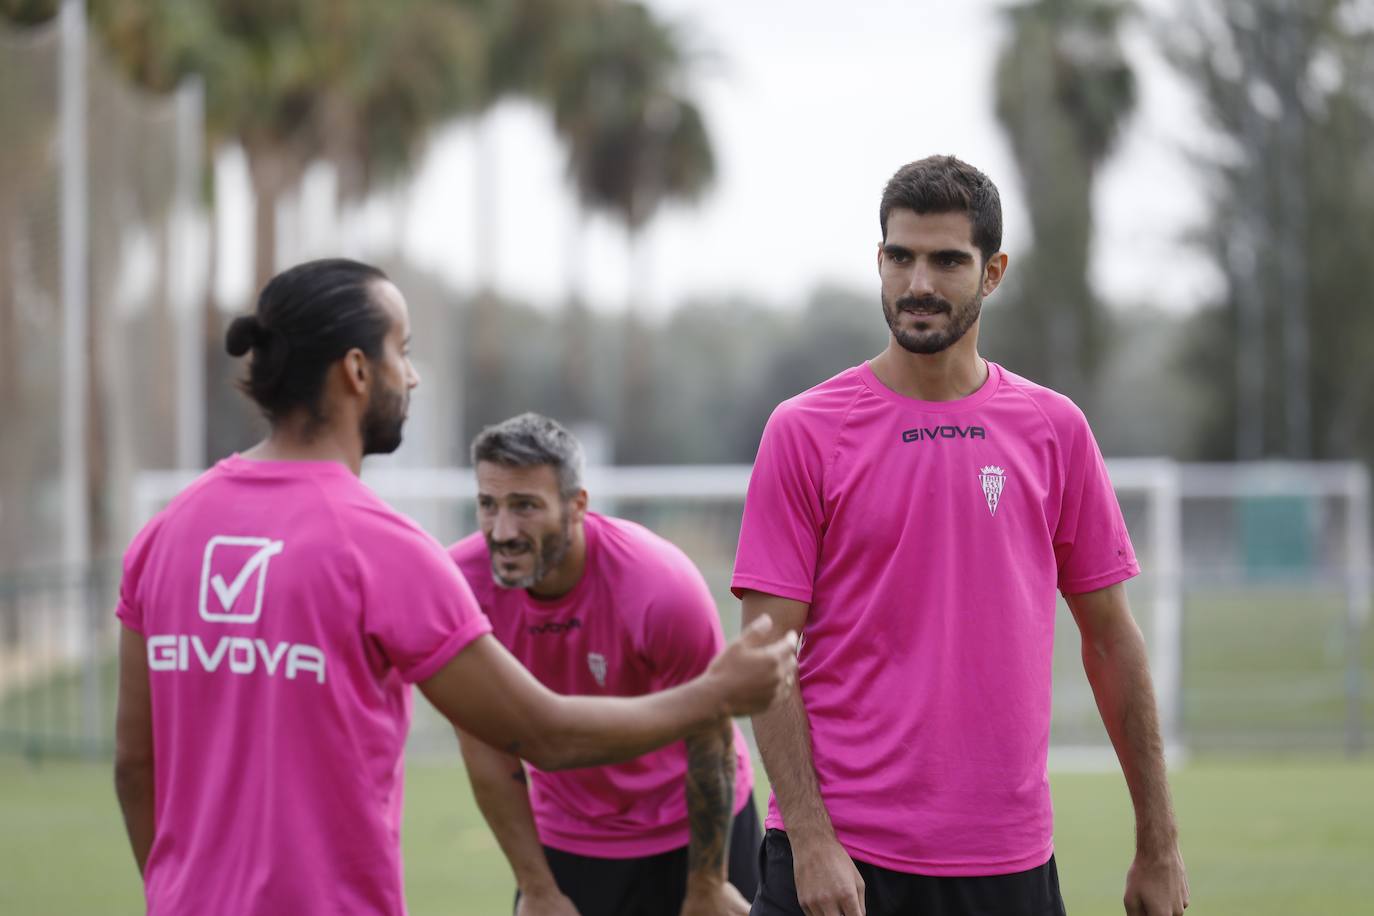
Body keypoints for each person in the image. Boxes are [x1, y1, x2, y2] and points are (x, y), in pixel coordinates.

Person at [111, 258, 797, 916]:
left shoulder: (164, 534)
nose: (410, 376)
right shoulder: (385, 549)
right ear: (356, 372)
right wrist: (714, 695)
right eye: (400, 351)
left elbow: (135, 767)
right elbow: (540, 733)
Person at [733, 156, 1189, 916]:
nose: (919, 283)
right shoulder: (804, 431)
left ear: (994, 271)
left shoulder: (1054, 429)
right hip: (841, 860)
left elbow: (1112, 642)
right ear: (878, 261)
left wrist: (1160, 843)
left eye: (947, 260)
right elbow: (764, 656)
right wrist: (811, 841)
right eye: (900, 256)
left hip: (1008, 863)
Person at [449, 413, 760, 916]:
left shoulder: (660, 588)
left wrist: (706, 886)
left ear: (577, 507)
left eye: (525, 506)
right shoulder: (457, 588)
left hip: (696, 830)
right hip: (571, 837)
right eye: (489, 505)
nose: (502, 531)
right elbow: (487, 751)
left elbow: (712, 739)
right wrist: (537, 888)